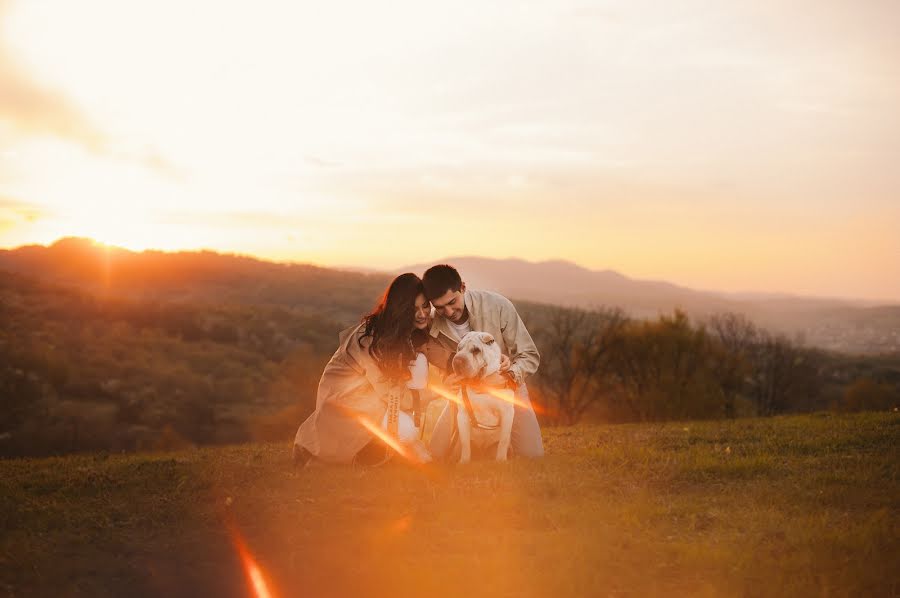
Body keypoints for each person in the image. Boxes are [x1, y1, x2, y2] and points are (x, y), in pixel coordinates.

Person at [292, 273, 434, 466]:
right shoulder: (371, 338)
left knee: (419, 364)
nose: (422, 313)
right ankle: (373, 450)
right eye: (413, 309)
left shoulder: (409, 330)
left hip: (375, 397)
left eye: (425, 306)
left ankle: (382, 449)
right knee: (406, 429)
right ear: (401, 310)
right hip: (347, 401)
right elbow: (386, 392)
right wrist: (428, 398)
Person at [423, 264, 544, 460]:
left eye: (452, 302)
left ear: (462, 287)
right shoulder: (431, 325)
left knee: (532, 455)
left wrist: (510, 376)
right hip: (464, 392)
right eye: (439, 307)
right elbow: (434, 358)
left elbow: (529, 355)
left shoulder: (498, 305)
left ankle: (502, 446)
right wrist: (447, 381)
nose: (448, 311)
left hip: (505, 388)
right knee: (436, 455)